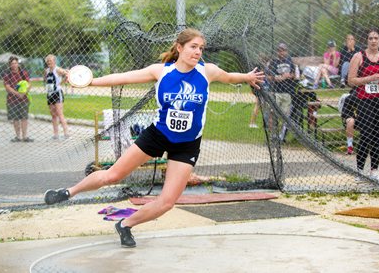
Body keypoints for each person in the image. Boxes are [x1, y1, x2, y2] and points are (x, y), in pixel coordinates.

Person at [43, 28, 265, 248]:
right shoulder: (161, 71)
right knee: (113, 175)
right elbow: (124, 78)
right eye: (193, 47)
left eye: (200, 48)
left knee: (167, 202)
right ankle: (67, 192)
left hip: (187, 144)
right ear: (180, 48)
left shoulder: (208, 71)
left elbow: (229, 77)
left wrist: (247, 77)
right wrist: (90, 82)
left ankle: (125, 225)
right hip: (158, 135)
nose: (197, 52)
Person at [348, 27, 379, 180]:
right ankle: (360, 170)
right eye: (371, 38)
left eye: (376, 38)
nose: (373, 41)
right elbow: (351, 81)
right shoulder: (359, 56)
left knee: (378, 134)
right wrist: (370, 78)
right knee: (366, 134)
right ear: (367, 40)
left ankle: (374, 170)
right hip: (364, 100)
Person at [268, 43, 297, 141]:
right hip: (276, 91)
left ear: (286, 51)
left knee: (286, 115)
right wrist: (277, 78)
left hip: (287, 92)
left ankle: (281, 136)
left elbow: (294, 74)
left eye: (283, 50)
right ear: (277, 52)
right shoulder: (273, 62)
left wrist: (289, 76)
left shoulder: (290, 61)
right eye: (280, 50)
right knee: (273, 113)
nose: (281, 52)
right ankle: (273, 135)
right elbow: (267, 76)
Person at [2, 56, 33, 142]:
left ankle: (25, 136)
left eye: (16, 63)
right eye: (12, 63)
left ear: (18, 64)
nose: (14, 65)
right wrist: (17, 94)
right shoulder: (7, 74)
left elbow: (29, 84)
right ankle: (18, 136)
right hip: (12, 99)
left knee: (24, 117)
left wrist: (24, 93)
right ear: (9, 65)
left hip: (23, 99)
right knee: (15, 118)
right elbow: (7, 87)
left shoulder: (23, 73)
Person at [44, 54, 70, 139]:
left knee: (59, 113)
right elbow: (45, 79)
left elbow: (67, 73)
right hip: (49, 93)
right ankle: (56, 134)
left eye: (50, 61)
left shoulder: (57, 69)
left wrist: (62, 81)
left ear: (54, 61)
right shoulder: (46, 70)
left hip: (57, 93)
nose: (49, 62)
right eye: (48, 61)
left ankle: (66, 133)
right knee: (53, 114)